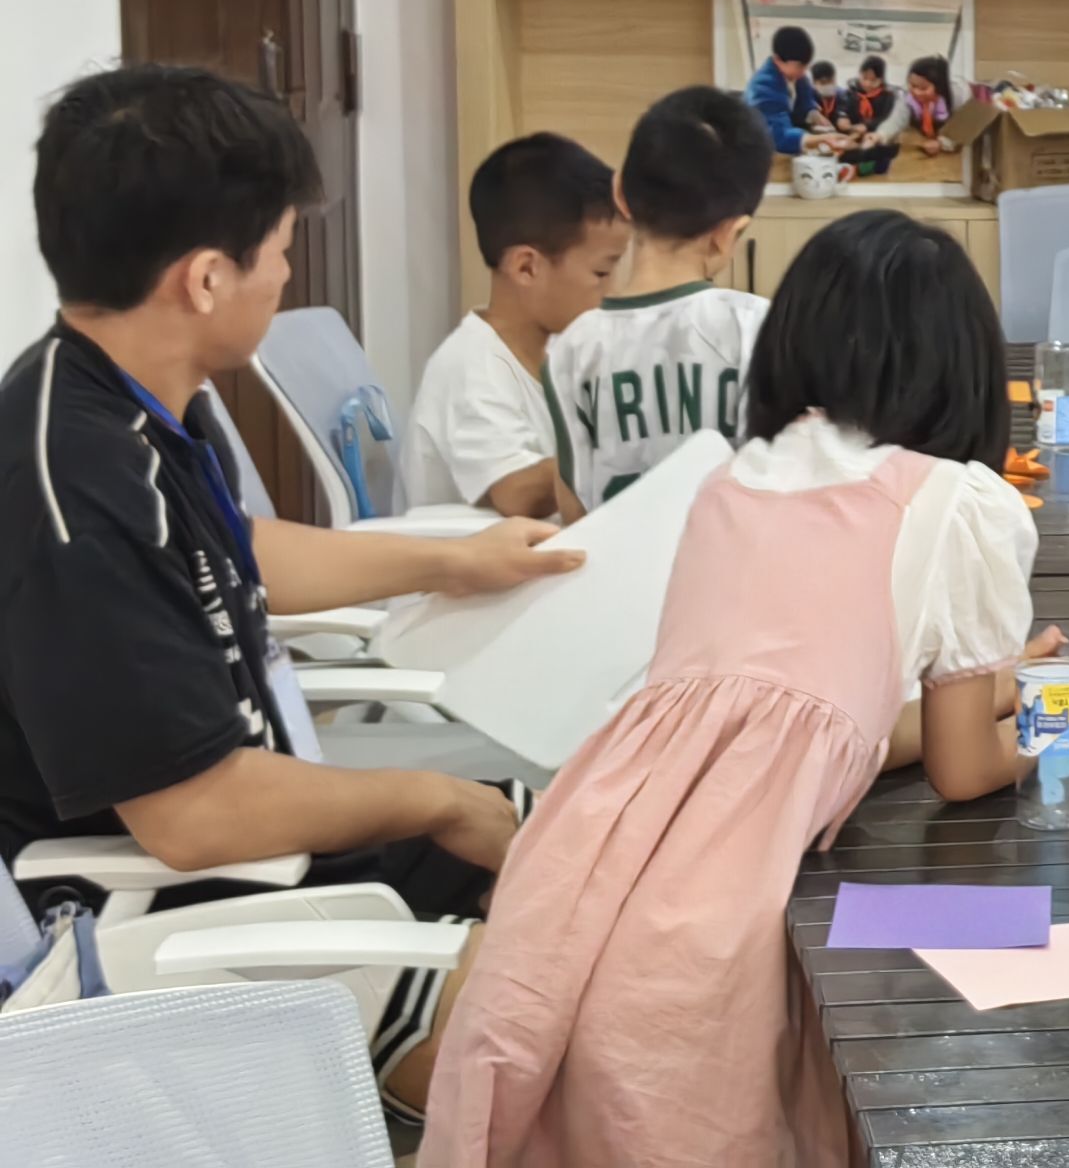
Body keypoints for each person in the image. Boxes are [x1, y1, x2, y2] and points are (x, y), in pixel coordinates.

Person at [422, 214, 1069, 1164]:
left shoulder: (729, 478)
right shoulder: (960, 501)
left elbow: (799, 723)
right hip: (717, 910)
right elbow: (961, 770)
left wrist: (1011, 685)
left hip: (589, 852)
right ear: (962, 363)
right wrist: (1064, 712)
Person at [1, 65, 584, 1118]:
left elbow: (238, 550)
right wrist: (438, 798)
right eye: (277, 251)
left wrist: (453, 560)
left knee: (612, 837)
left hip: (278, 826)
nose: (283, 276)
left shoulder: (130, 395)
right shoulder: (74, 484)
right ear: (204, 279)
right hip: (173, 904)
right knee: (591, 1027)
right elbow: (191, 815)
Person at [543, 87, 773, 519]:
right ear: (730, 232)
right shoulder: (760, 327)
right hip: (730, 561)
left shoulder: (572, 348)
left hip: (614, 562)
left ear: (620, 193)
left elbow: (573, 511)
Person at [407, 135, 629, 516]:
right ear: (526, 267)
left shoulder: (555, 346)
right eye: (601, 273)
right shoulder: (471, 368)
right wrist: (634, 444)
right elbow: (517, 493)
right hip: (485, 553)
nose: (613, 290)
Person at [746, 25, 841, 158]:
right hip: (762, 151)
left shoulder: (796, 76)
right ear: (778, 59)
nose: (803, 72)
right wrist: (820, 139)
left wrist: (812, 113)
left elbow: (804, 99)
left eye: (806, 66)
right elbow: (778, 137)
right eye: (799, 66)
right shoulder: (763, 88)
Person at [877, 54, 958, 157]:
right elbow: (896, 120)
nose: (916, 92)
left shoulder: (957, 98)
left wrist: (941, 143)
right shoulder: (907, 97)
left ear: (939, 87)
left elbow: (962, 131)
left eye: (923, 88)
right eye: (913, 85)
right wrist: (880, 135)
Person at [805, 59, 849, 135]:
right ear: (814, 82)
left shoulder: (842, 95)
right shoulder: (808, 95)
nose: (828, 85)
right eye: (823, 82)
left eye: (830, 81)